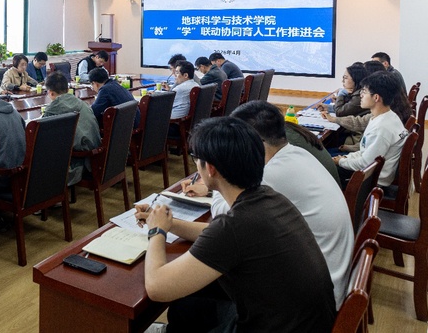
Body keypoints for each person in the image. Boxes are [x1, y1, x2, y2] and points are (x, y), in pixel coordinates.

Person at [136, 117, 336, 332]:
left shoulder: (235, 226)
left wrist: (157, 231)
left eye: (196, 159)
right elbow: (218, 234)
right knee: (188, 306)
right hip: (305, 321)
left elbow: (157, 288)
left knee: (189, 300)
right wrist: (169, 223)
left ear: (210, 168)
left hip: (276, 326)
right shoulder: (269, 197)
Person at [228, 101, 353, 308]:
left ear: (255, 142)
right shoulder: (296, 153)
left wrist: (219, 177)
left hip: (314, 299)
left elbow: (228, 212)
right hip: (328, 278)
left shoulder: (274, 172)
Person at [333, 71, 409, 186]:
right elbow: (365, 153)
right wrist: (345, 158)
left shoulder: (382, 128)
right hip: (369, 172)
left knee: (325, 171)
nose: (361, 95)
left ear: (376, 97)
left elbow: (365, 164)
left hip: (371, 181)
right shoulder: (388, 116)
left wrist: (341, 161)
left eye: (364, 92)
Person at [41, 71, 100, 185]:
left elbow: (42, 135)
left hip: (80, 156)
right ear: (68, 89)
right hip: (94, 150)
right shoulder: (81, 103)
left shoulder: (53, 109)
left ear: (50, 93)